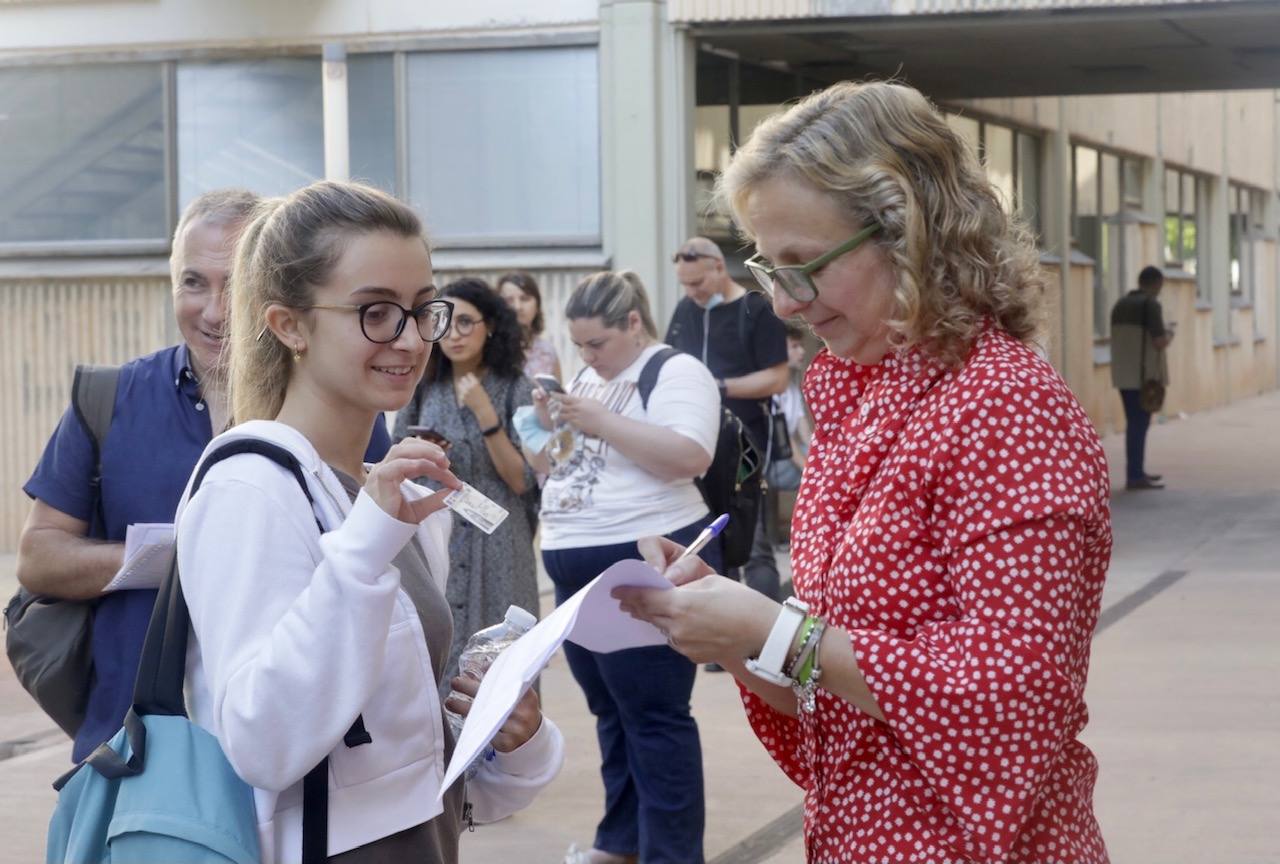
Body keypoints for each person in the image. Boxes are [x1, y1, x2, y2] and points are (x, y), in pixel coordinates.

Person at [614, 81, 1113, 864]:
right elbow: (841, 705)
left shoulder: (1004, 403)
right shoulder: (861, 393)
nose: (780, 302)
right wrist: (732, 633)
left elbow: (1015, 694)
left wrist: (774, 629)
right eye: (767, 266)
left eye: (803, 264)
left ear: (911, 237)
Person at [175, 181, 563, 862]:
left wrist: (510, 736)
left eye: (422, 310)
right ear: (288, 324)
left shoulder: (369, 489)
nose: (411, 340)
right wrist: (364, 548)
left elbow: (396, 759)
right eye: (375, 312)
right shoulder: (250, 487)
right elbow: (262, 738)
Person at [16, 189, 394, 763]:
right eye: (193, 283)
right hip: (135, 752)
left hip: (297, 754)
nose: (214, 310)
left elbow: (374, 561)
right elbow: (39, 559)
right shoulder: (109, 399)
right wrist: (186, 552)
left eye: (235, 284)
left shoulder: (339, 404)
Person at [523, 271, 722, 864]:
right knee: (610, 709)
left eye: (597, 343)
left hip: (640, 552)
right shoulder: (591, 377)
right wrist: (552, 419)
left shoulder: (674, 369)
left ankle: (671, 853)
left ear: (633, 323)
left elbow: (690, 453)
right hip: (574, 556)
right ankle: (623, 840)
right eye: (579, 345)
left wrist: (599, 420)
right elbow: (560, 461)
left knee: (653, 713)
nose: (586, 356)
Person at [393, 277, 539, 688]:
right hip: (439, 528)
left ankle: (511, 752)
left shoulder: (515, 387)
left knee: (504, 666)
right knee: (440, 659)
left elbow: (522, 479)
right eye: (444, 323)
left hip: (499, 540)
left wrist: (486, 416)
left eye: (466, 323)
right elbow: (396, 452)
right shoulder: (425, 386)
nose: (453, 335)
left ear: (490, 325)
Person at [665, 237, 788, 602]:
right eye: (685, 285)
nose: (691, 292)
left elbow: (777, 378)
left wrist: (715, 386)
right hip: (698, 443)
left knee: (755, 541)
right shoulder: (686, 309)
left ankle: (765, 642)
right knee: (710, 539)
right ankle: (722, 636)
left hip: (746, 443)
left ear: (719, 268)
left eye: (697, 283)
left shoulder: (756, 309)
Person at [1110, 265, 1173, 490]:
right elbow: (1159, 342)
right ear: (1155, 283)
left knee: (1133, 424)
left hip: (1123, 374)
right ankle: (1135, 475)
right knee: (1139, 425)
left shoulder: (1120, 304)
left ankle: (1136, 471)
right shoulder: (1150, 305)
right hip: (1143, 377)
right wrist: (1170, 333)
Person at [499, 270, 562, 381]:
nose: (517, 307)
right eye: (509, 301)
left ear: (537, 305)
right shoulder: (489, 349)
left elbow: (558, 396)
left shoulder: (547, 351)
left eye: (525, 299)